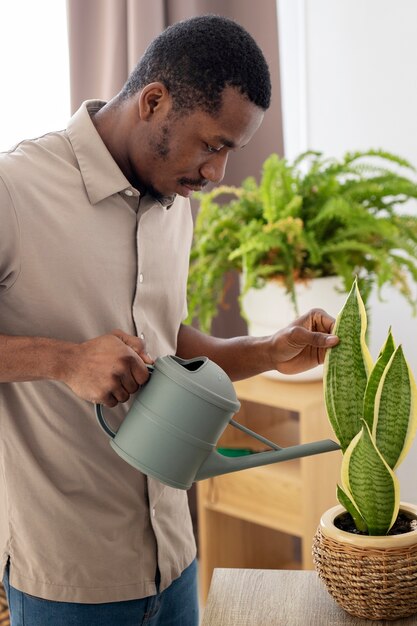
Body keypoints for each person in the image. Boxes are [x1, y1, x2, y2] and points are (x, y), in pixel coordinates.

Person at [0, 14, 338, 626]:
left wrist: (265, 349)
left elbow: (165, 338)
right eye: (213, 145)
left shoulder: (173, 198)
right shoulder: (15, 189)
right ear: (153, 101)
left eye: (228, 153)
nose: (216, 175)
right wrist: (65, 361)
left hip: (177, 563)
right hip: (70, 581)